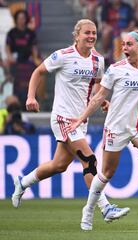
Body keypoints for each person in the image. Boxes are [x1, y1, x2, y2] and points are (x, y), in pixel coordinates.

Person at [11, 19, 130, 223]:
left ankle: (23, 182)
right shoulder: (63, 56)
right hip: (62, 118)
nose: (91, 36)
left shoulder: (98, 61)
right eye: (87, 33)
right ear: (77, 35)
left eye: (94, 33)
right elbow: (38, 72)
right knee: (89, 159)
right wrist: (31, 97)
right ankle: (105, 207)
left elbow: (99, 85)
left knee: (59, 165)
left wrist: (103, 101)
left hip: (80, 121)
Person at [65, 29, 138, 231]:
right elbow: (98, 97)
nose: (124, 48)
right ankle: (88, 210)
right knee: (106, 173)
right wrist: (81, 118)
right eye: (123, 45)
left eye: (129, 45)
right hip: (117, 127)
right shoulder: (115, 69)